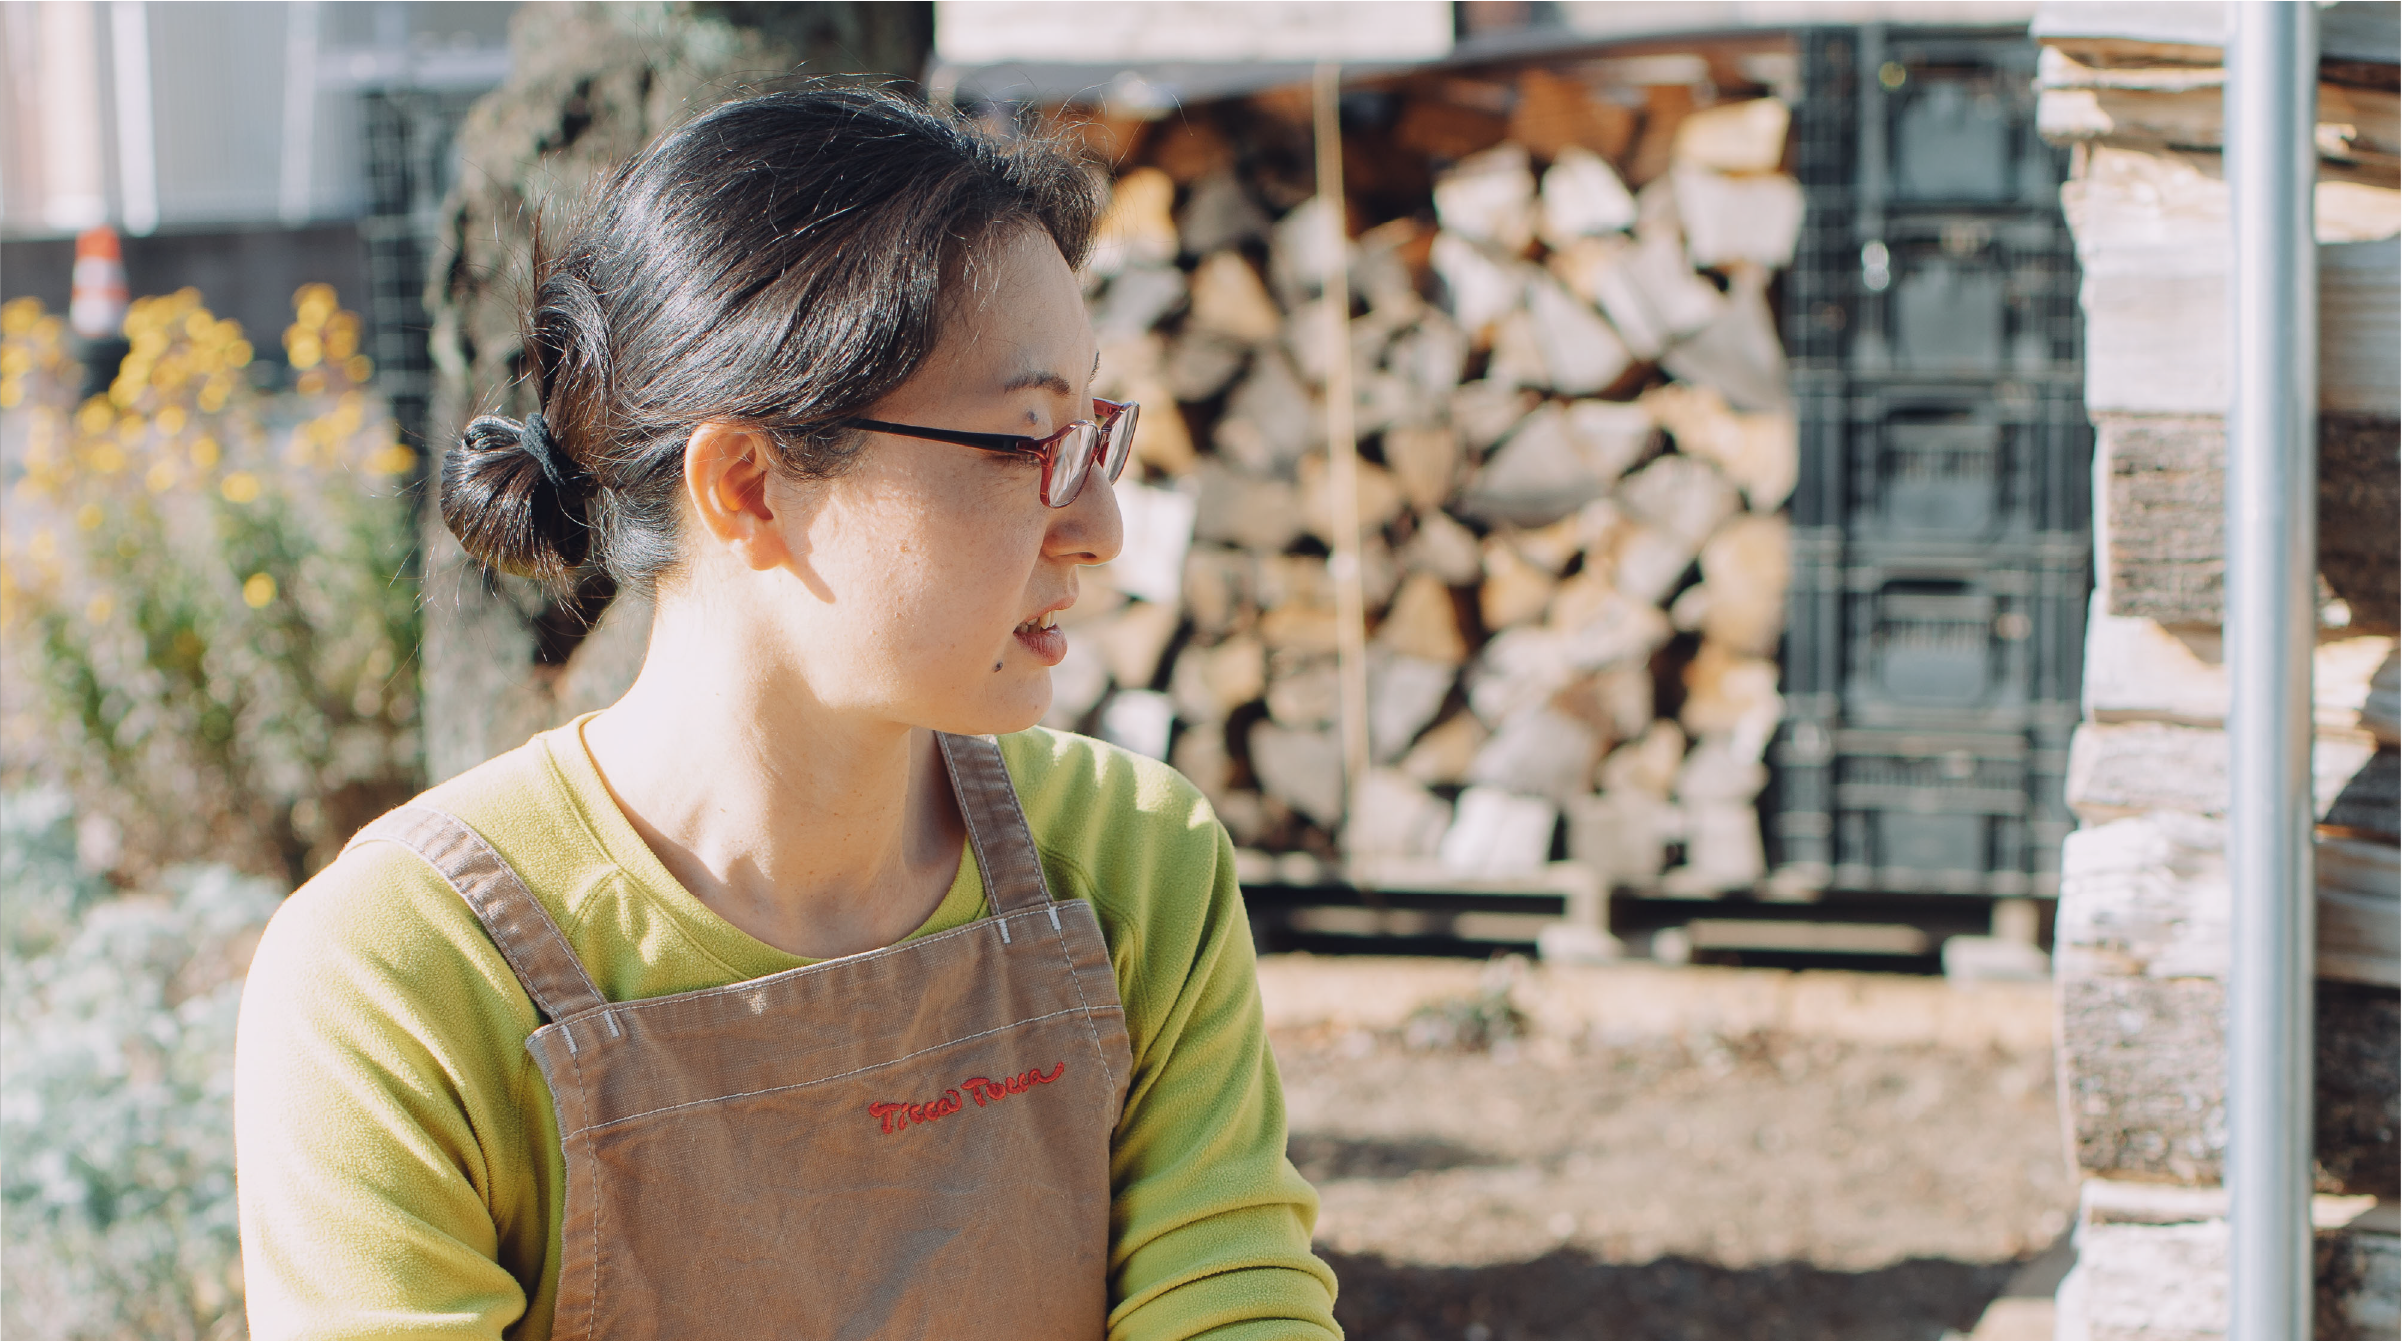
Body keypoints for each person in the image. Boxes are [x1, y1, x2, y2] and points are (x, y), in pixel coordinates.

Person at [234, 88, 1340, 1341]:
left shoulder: (1132, 857)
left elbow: (1235, 1303)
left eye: (1093, 436)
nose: (1096, 529)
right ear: (748, 486)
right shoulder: (403, 975)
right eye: (1026, 439)